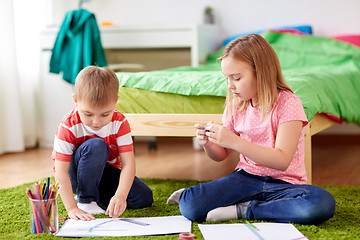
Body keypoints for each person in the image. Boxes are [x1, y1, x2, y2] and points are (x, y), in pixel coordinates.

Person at [167, 34, 335, 224]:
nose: (230, 86)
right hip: (246, 179)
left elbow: (281, 160)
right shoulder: (236, 106)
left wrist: (234, 141)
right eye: (227, 78)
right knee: (189, 205)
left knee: (320, 203)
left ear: (261, 72)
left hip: (285, 185)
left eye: (236, 78)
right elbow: (221, 154)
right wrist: (208, 144)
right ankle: (212, 197)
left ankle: (245, 210)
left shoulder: (288, 103)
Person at [53, 66, 153, 221]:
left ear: (116, 101)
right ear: (75, 101)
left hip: (104, 173)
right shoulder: (68, 126)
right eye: (88, 114)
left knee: (143, 197)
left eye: (105, 114)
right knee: (97, 145)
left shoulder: (120, 122)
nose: (96, 122)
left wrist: (120, 196)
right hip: (76, 175)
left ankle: (98, 196)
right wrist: (72, 207)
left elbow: (128, 164)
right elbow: (61, 171)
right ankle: (86, 199)